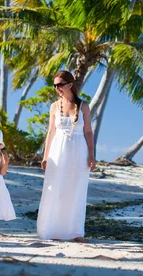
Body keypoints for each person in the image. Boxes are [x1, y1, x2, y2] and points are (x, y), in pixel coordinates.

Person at [37, 70, 96, 242]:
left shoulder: (84, 105)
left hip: (78, 151)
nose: (56, 88)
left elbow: (88, 131)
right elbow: (50, 132)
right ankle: (52, 230)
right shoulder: (54, 106)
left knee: (75, 190)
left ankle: (74, 233)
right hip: (58, 150)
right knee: (55, 189)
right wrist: (45, 156)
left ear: (70, 85)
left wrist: (91, 155)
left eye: (59, 85)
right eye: (54, 85)